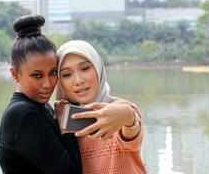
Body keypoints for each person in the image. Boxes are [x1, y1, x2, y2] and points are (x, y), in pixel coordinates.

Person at [0, 15, 82, 174]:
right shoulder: (24, 114)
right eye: (37, 75)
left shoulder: (39, 105)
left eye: (53, 72)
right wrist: (66, 128)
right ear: (15, 73)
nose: (48, 84)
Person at [55, 40, 147, 174]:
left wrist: (127, 116)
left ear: (98, 68)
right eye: (67, 74)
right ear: (59, 81)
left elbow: (132, 130)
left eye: (85, 68)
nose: (79, 80)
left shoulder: (117, 109)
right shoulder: (58, 121)